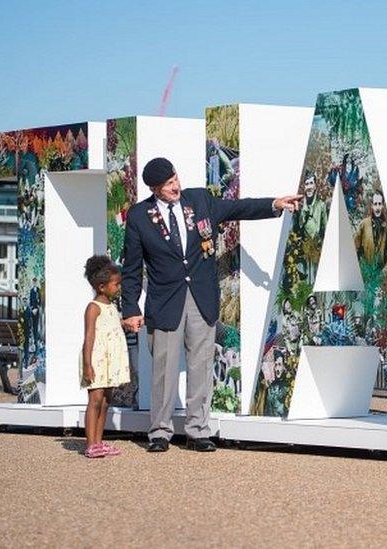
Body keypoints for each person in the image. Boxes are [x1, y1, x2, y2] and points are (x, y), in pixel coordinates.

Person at [121, 157, 302, 453]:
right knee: (163, 369)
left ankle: (198, 430)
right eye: (168, 184)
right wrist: (130, 308)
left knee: (201, 365)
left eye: (175, 178)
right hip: (165, 302)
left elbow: (237, 208)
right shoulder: (140, 216)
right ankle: (159, 432)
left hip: (201, 298)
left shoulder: (200, 200)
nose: (175, 186)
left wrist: (274, 204)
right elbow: (131, 267)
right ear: (155, 189)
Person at [80, 255, 131, 459]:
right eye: (116, 285)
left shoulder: (111, 307)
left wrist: (126, 324)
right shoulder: (93, 308)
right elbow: (89, 337)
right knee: (95, 399)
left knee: (106, 400)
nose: (118, 288)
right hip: (97, 360)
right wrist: (87, 364)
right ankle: (90, 443)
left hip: (110, 362)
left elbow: (113, 327)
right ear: (101, 286)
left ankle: (99, 441)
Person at [354, 189, 387, 265]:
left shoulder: (386, 228)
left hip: (378, 271)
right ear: (372, 205)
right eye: (375, 204)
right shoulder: (363, 224)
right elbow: (355, 245)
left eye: (379, 204)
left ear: (383, 205)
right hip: (365, 269)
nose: (377, 207)